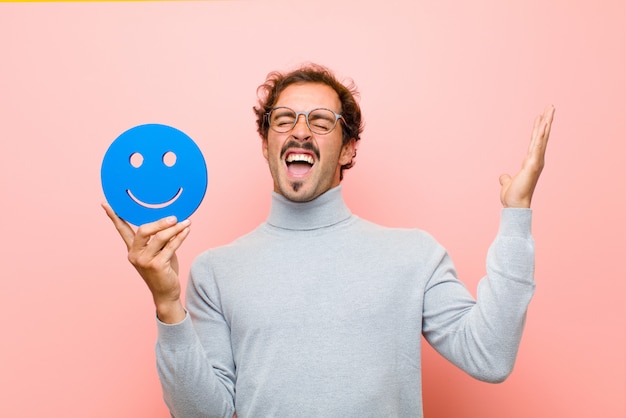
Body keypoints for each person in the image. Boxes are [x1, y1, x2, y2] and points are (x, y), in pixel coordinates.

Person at [103, 63, 555, 418]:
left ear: (348, 148)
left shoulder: (414, 256)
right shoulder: (215, 272)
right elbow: (205, 413)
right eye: (284, 119)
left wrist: (516, 217)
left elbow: (490, 356)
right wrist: (166, 301)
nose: (300, 130)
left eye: (321, 121)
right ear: (266, 143)